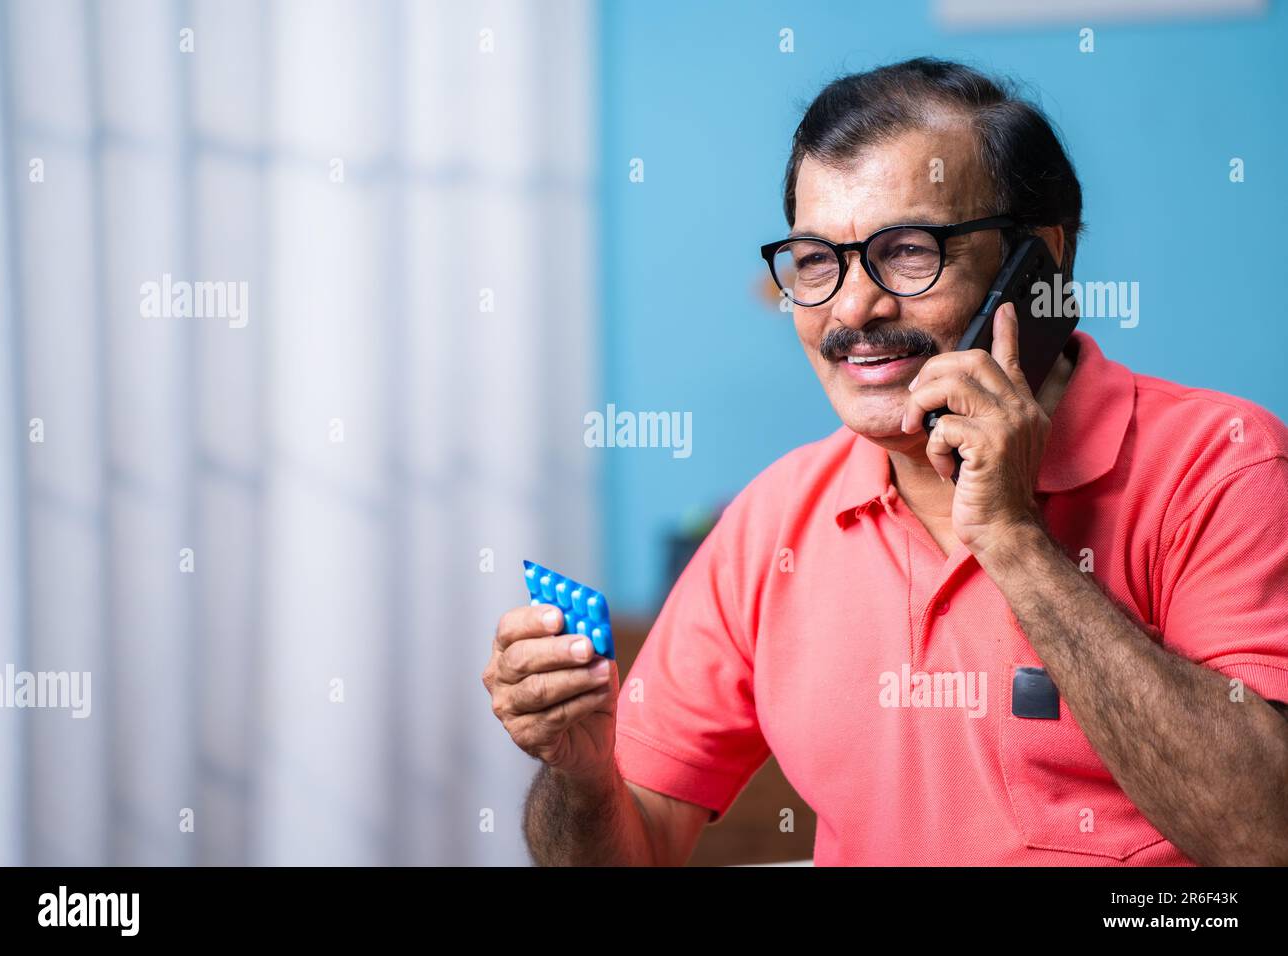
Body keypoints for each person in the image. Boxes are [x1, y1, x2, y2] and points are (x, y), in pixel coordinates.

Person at [482, 58, 1288, 866]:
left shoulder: (1221, 466)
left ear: (1037, 266)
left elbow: (1265, 839)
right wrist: (582, 780)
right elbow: (639, 850)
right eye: (816, 262)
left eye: (907, 251)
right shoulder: (774, 523)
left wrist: (1012, 538)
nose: (853, 308)